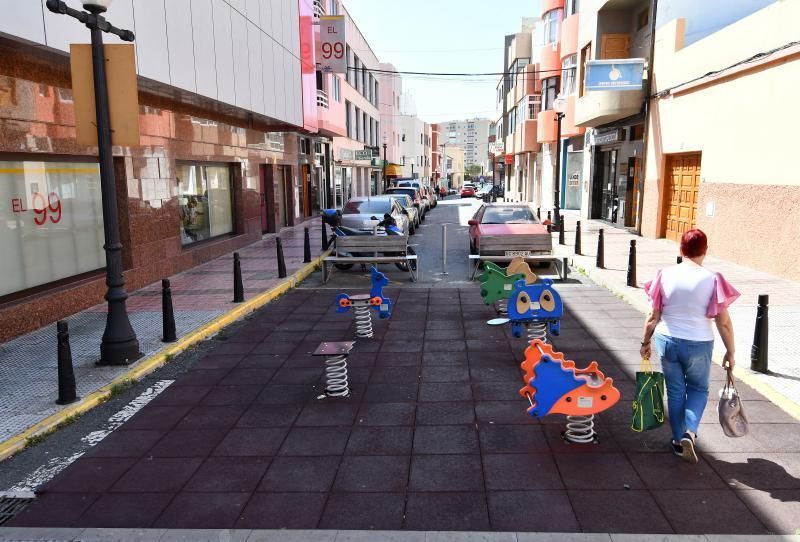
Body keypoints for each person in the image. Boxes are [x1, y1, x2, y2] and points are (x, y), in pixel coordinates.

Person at [640, 229, 740, 464]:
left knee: (675, 391)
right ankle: (690, 432)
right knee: (698, 389)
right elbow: (723, 322)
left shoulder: (664, 275)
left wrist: (645, 342)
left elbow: (652, 317)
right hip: (699, 342)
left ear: (681, 249)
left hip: (667, 340)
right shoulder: (712, 278)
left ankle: (677, 441)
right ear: (705, 251)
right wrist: (731, 351)